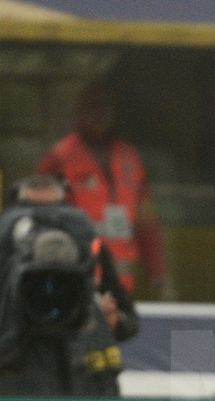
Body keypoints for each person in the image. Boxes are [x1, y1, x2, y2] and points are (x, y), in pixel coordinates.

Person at [0, 174, 136, 396]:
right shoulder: (6, 243)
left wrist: (112, 321)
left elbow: (128, 319)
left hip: (79, 371)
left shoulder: (86, 239)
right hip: (22, 372)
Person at [37, 82, 170, 298]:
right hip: (74, 281)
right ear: (78, 111)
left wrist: (157, 272)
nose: (99, 114)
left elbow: (146, 221)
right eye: (92, 107)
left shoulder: (130, 158)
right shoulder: (59, 158)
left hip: (121, 287)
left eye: (104, 107)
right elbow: (40, 218)